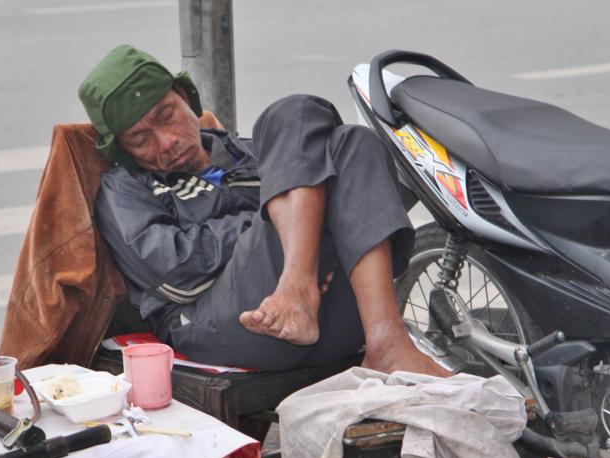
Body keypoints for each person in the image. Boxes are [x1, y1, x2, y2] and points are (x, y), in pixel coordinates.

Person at [78, 45, 449, 376]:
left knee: (352, 140)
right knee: (291, 123)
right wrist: (285, 220)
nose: (168, 141)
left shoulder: (251, 152)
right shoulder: (125, 187)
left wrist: (298, 227)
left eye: (166, 115)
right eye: (141, 140)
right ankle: (297, 285)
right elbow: (176, 269)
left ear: (186, 98)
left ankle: (386, 340)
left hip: (331, 316)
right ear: (125, 150)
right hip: (230, 323)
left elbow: (365, 202)